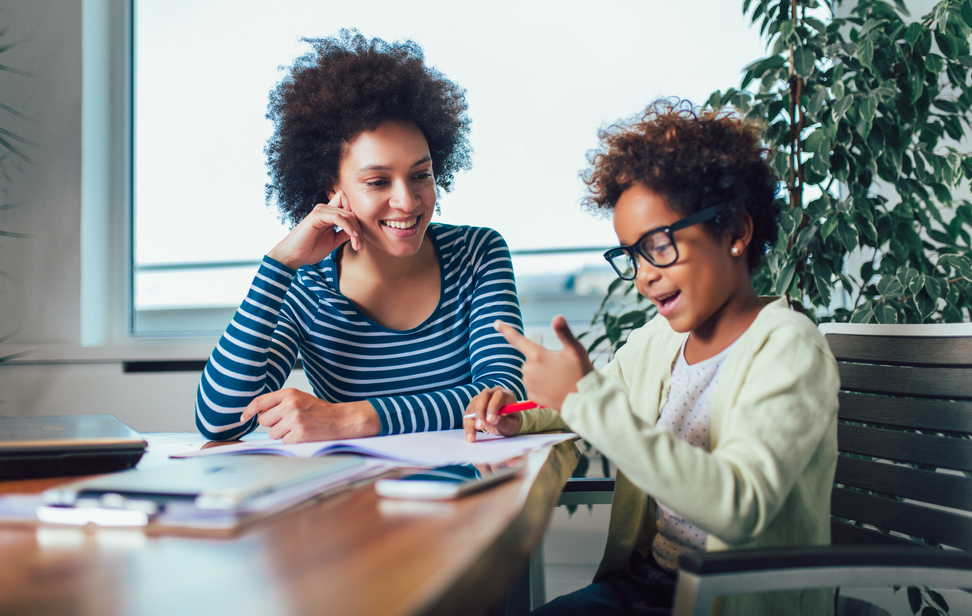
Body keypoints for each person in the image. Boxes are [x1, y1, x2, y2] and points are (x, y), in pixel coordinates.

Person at [464, 100, 840, 615]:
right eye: (631, 255)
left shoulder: (789, 348)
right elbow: (594, 403)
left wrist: (583, 398)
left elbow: (740, 506)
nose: (643, 276)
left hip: (727, 602)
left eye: (659, 246)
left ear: (735, 232)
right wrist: (517, 416)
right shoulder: (659, 340)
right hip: (644, 584)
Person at [196, 31, 525, 443]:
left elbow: (500, 401)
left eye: (420, 175)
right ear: (331, 188)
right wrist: (277, 267)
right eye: (377, 181)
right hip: (354, 499)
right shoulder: (308, 284)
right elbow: (222, 422)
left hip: (471, 495)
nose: (406, 201)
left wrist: (351, 418)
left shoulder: (477, 254)